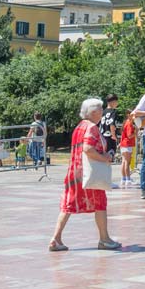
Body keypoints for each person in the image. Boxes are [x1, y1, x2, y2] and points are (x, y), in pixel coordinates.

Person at [49, 98, 120, 251]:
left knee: (68, 205)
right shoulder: (92, 128)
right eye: (100, 109)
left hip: (75, 173)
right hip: (90, 174)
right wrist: (105, 158)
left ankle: (56, 238)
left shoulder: (79, 127)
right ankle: (104, 239)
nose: (102, 112)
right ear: (93, 112)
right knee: (100, 203)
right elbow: (88, 149)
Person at [98, 94, 120, 164]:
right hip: (109, 138)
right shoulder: (113, 112)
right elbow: (112, 124)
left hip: (102, 137)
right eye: (116, 101)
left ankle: (101, 173)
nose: (117, 103)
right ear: (112, 102)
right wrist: (113, 136)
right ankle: (105, 174)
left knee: (102, 158)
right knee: (109, 158)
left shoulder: (103, 112)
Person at [119, 112, 137, 187]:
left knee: (123, 162)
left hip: (123, 144)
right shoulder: (129, 123)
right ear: (128, 115)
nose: (134, 117)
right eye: (133, 115)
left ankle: (123, 179)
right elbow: (129, 136)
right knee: (127, 162)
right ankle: (128, 180)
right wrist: (136, 132)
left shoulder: (125, 123)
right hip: (128, 144)